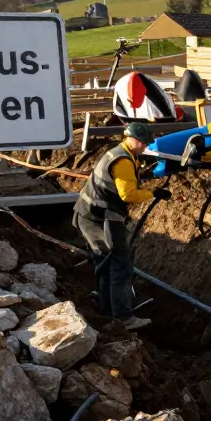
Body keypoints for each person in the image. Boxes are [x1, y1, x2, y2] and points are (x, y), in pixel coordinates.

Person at [73, 121, 171, 331]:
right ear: (134, 140)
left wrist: (145, 175)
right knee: (119, 264)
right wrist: (153, 193)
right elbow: (127, 194)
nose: (145, 147)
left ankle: (109, 313)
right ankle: (123, 317)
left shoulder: (119, 153)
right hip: (101, 218)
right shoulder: (123, 161)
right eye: (143, 143)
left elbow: (124, 181)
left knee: (107, 263)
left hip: (91, 215)